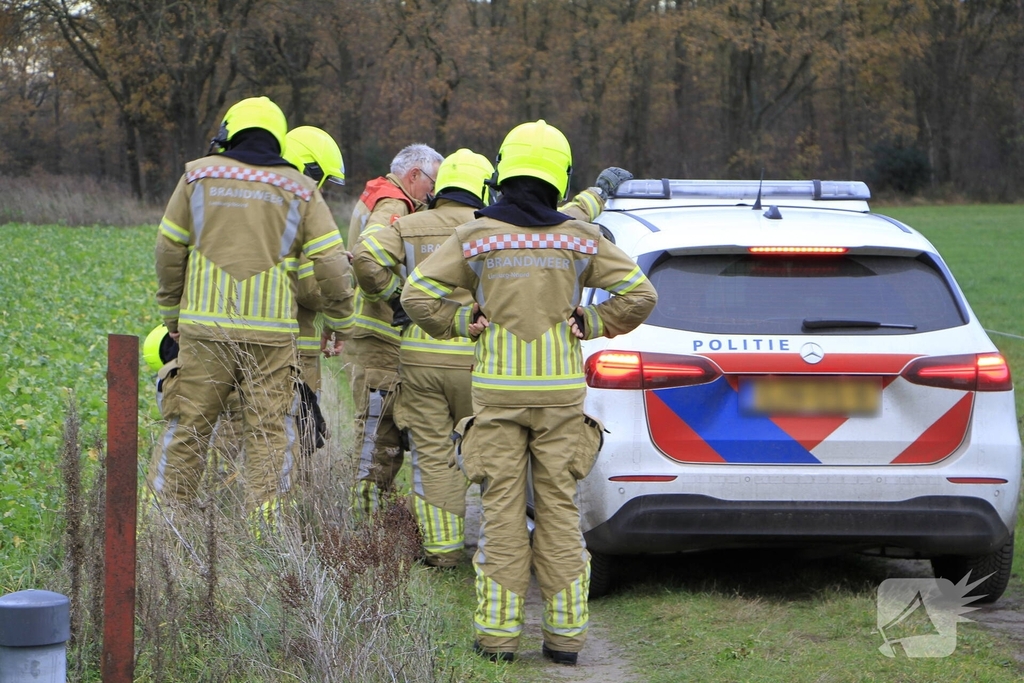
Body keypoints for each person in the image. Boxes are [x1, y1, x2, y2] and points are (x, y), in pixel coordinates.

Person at [402, 120, 657, 665]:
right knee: (560, 513)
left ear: (504, 170)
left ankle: (497, 638)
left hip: (495, 399)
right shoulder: (579, 238)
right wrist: (590, 319)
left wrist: (459, 323)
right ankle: (565, 641)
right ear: (557, 176)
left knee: (500, 515)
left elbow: (416, 295)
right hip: (562, 402)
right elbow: (640, 295)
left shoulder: (477, 236)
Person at [353, 148, 628, 568]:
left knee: (433, 456)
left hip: (422, 363)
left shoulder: (408, 225)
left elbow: (367, 259)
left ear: (441, 186)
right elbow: (567, 215)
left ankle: (443, 551)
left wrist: (393, 298)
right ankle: (505, 547)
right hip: (482, 363)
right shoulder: (493, 227)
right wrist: (600, 192)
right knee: (495, 461)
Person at [150, 96, 354, 521]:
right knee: (268, 435)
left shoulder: (197, 176)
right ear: (279, 139)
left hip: (205, 330)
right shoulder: (300, 188)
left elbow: (169, 248)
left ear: (228, 133)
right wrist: (341, 320)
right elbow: (333, 263)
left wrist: (173, 313)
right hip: (272, 338)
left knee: (189, 427)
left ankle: (166, 526)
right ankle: (266, 530)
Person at [346, 143, 443, 514]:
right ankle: (367, 520)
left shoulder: (380, 195)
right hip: (381, 336)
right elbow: (368, 261)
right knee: (379, 428)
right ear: (413, 176)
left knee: (377, 427)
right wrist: (399, 298)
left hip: (372, 331)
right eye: (431, 183)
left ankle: (370, 516)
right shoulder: (395, 206)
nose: (432, 194)